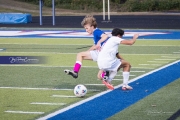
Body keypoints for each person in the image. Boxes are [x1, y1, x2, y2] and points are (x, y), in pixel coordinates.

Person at [64, 15, 120, 79]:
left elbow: (105, 36)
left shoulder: (96, 31)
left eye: (87, 28)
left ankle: (75, 71)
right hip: (102, 54)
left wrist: (99, 43)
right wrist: (88, 51)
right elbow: (95, 46)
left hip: (102, 54)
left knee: (80, 55)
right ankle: (105, 75)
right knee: (81, 55)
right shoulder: (95, 33)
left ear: (92, 27)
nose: (86, 30)